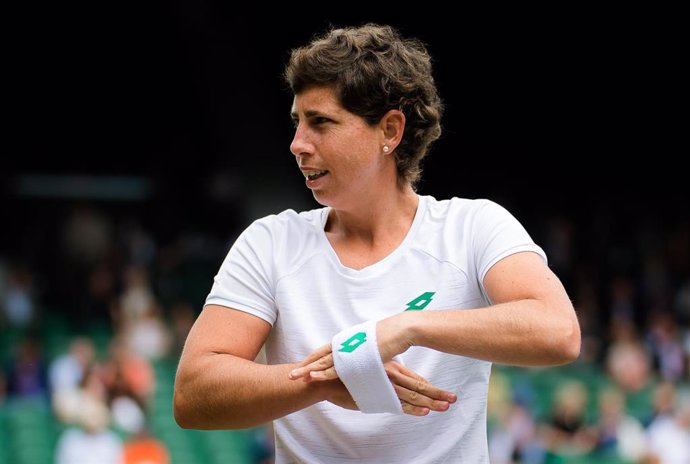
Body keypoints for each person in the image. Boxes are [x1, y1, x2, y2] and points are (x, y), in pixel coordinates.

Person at [173, 23, 581, 463]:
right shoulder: (270, 242)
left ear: (389, 130)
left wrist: (407, 326)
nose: (297, 144)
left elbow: (558, 332)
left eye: (321, 122)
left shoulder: (472, 226)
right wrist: (330, 381)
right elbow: (193, 393)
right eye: (297, 122)